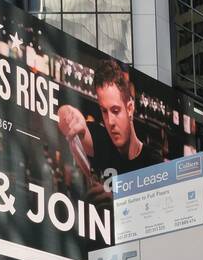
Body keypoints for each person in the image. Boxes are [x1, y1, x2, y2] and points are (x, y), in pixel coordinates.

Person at [56, 57, 162, 203]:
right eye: (104, 112)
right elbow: (65, 117)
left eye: (116, 111)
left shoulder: (153, 163)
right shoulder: (100, 140)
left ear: (129, 108)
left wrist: (115, 200)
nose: (110, 122)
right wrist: (69, 114)